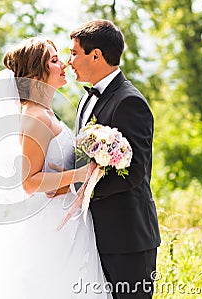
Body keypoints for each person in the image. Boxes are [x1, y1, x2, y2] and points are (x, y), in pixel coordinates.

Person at [0, 37, 111, 298]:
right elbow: (28, 182)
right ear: (35, 74)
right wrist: (81, 174)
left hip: (64, 219)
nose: (62, 63)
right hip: (48, 226)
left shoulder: (46, 113)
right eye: (53, 60)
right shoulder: (35, 117)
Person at [66, 20, 161, 298]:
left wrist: (84, 194)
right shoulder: (87, 99)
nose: (69, 61)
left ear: (96, 55)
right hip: (95, 235)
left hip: (127, 239)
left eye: (74, 53)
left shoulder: (129, 101)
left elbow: (134, 173)